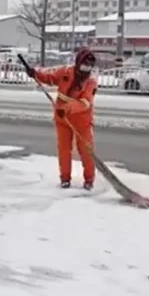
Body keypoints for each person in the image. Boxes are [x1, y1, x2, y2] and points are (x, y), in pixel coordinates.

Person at [24, 47, 98, 190]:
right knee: (64, 149)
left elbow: (85, 103)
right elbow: (50, 78)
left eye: (88, 67)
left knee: (86, 150)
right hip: (62, 119)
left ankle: (89, 179)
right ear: (77, 63)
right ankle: (65, 178)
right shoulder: (65, 72)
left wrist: (67, 108)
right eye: (83, 66)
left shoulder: (91, 83)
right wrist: (35, 74)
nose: (85, 70)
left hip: (81, 121)